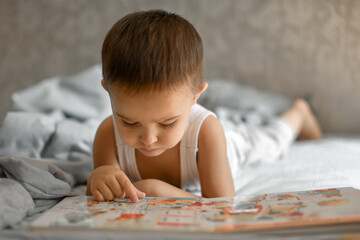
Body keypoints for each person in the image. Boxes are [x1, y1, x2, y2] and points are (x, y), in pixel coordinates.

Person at [86, 10, 322, 202]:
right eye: (129, 122)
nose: (148, 139)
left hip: (230, 144)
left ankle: (299, 113)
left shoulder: (207, 132)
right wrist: (98, 179)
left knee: (268, 141)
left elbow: (222, 205)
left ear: (195, 96)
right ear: (107, 91)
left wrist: (157, 190)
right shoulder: (108, 135)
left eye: (167, 123)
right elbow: (105, 196)